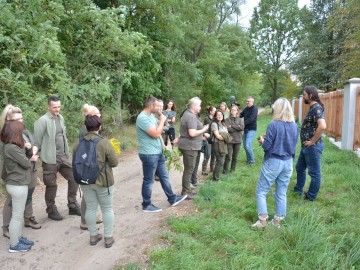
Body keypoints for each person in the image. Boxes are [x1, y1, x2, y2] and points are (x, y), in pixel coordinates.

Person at [252, 98, 298, 228]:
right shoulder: (294, 126)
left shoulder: (273, 124)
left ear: (277, 109)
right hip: (288, 162)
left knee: (261, 191)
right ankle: (277, 222)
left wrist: (262, 141)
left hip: (274, 161)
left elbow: (267, 146)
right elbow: (292, 144)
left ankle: (262, 221)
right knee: (281, 192)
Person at [74, 115, 118, 248]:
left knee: (91, 208)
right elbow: (114, 162)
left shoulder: (78, 143)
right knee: (107, 209)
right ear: (100, 126)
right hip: (103, 181)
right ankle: (108, 238)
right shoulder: (104, 142)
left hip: (85, 181)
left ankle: (93, 235)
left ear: (86, 127)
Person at [136, 97, 187, 212]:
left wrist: (163, 146)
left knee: (164, 176)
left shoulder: (151, 116)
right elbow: (155, 133)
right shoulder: (143, 118)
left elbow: (158, 133)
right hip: (149, 154)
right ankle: (146, 204)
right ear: (151, 106)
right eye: (157, 106)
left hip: (157, 152)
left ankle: (172, 198)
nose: (160, 108)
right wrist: (163, 120)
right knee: (149, 180)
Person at [34, 96, 81, 221]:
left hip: (63, 158)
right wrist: (33, 156)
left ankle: (72, 205)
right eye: (54, 107)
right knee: (51, 185)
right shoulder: (42, 121)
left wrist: (67, 154)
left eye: (59, 106)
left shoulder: (61, 118)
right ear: (48, 106)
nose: (57, 109)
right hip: (50, 159)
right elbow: (37, 142)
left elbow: (63, 137)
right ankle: (51, 209)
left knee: (74, 177)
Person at [1, 105, 41, 241]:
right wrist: (28, 156)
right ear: (8, 120)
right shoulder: (5, 135)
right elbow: (9, 154)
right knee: (12, 199)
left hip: (30, 168)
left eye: (21, 118)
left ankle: (28, 218)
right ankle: (6, 227)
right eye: (17, 119)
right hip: (14, 173)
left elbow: (35, 143)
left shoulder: (25, 131)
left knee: (28, 193)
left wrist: (32, 152)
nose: (20, 121)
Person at [294, 86, 326, 201]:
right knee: (299, 167)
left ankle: (311, 196)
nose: (303, 97)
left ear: (310, 96)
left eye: (304, 94)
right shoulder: (313, 107)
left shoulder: (316, 108)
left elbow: (322, 126)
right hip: (306, 146)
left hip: (312, 147)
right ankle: (298, 190)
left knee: (314, 173)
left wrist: (312, 141)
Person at [178, 97, 209, 199]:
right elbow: (192, 133)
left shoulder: (187, 114)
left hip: (189, 146)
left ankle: (187, 189)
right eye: (199, 105)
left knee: (189, 168)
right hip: (190, 146)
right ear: (194, 106)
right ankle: (185, 192)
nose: (200, 107)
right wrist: (204, 129)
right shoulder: (190, 116)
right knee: (189, 169)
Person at [79, 104, 103, 230]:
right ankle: (84, 221)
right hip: (87, 165)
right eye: (98, 114)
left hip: (91, 164)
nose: (100, 115)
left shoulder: (89, 127)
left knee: (92, 193)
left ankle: (90, 217)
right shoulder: (85, 129)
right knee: (87, 195)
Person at [223, 105, 244, 174]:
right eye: (232, 109)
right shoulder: (227, 120)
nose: (233, 111)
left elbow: (242, 128)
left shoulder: (240, 119)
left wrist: (232, 126)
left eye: (234, 110)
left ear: (237, 111)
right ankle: (225, 170)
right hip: (230, 140)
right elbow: (228, 129)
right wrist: (237, 127)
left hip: (238, 140)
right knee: (228, 156)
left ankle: (232, 170)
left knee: (235, 157)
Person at [211, 110, 230, 181]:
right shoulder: (214, 124)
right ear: (215, 116)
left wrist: (224, 136)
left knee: (221, 160)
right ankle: (216, 179)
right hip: (217, 144)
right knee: (220, 161)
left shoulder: (223, 124)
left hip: (223, 143)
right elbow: (218, 136)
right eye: (218, 115)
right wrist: (225, 136)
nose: (220, 116)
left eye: (221, 115)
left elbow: (227, 134)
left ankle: (216, 177)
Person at [240, 96, 258, 165]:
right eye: (246, 101)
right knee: (245, 146)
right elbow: (241, 115)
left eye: (248, 101)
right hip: (246, 129)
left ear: (252, 102)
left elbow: (251, 119)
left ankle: (252, 161)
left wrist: (242, 124)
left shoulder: (254, 109)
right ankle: (248, 160)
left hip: (252, 129)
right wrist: (235, 114)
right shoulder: (246, 109)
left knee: (248, 145)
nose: (247, 102)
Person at [202, 106, 216, 175]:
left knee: (214, 154)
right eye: (214, 111)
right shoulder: (206, 119)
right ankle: (204, 169)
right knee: (207, 154)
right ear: (210, 112)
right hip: (208, 139)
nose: (215, 112)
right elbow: (205, 128)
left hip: (215, 138)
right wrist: (205, 135)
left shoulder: (216, 118)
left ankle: (212, 168)